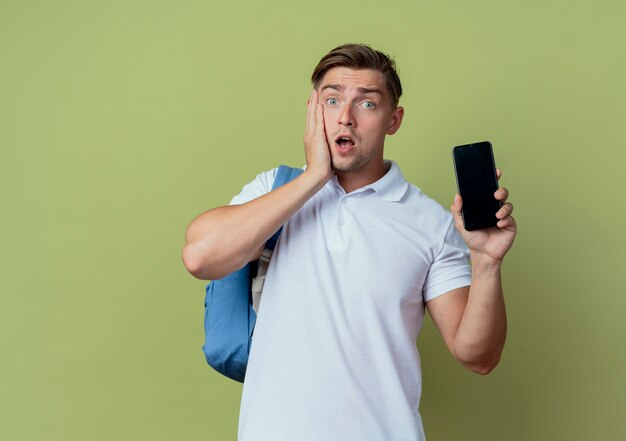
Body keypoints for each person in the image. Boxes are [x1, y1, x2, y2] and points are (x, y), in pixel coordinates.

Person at [182, 43, 517, 441]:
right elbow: (200, 257)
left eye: (367, 104)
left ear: (394, 120)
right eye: (332, 99)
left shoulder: (430, 223)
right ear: (313, 110)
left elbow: (478, 355)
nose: (345, 118)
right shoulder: (275, 190)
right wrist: (312, 179)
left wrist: (486, 262)